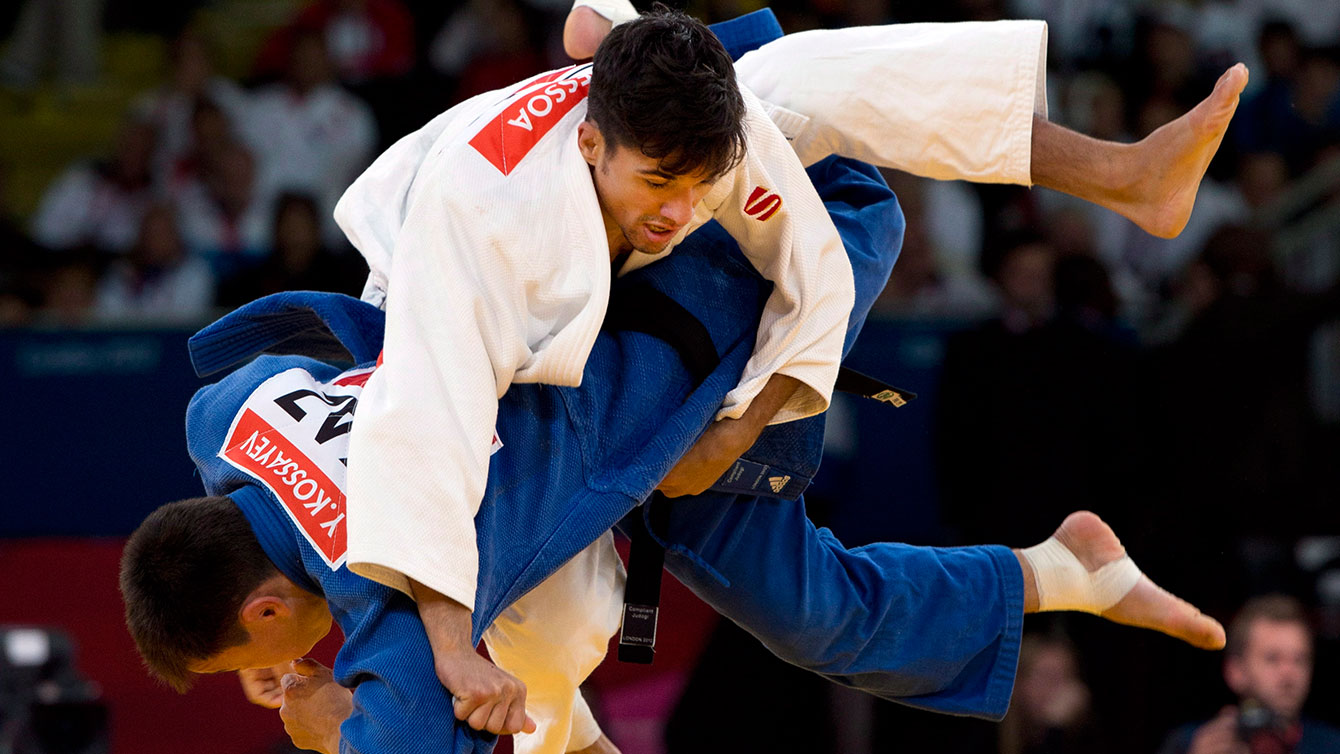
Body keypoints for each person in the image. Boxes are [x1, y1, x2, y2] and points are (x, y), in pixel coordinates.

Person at [123, 151, 1224, 754]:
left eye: (259, 658)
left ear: (267, 608)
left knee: (803, 610)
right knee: (713, 621)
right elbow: (244, 395)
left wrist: (316, 716)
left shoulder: (390, 620)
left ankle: (1055, 567)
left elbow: (388, 720)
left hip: (685, 375)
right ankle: (1058, 571)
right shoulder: (226, 419)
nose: (281, 673)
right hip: (576, 379)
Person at [334, 8, 1250, 732]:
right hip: (522, 359)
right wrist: (452, 647)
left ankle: (1121, 173)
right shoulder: (478, 231)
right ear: (589, 143)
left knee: (786, 89)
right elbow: (423, 427)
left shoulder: (712, 141)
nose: (680, 208)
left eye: (701, 183)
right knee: (699, 621)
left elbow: (815, 270)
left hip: (678, 324)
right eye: (658, 184)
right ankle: (1059, 576)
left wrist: (744, 420)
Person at [1157, 595, 1340, 754]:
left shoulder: (1332, 746)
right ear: (1235, 671)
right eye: (1272, 659)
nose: (1289, 673)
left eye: (1300, 659)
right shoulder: (1190, 742)